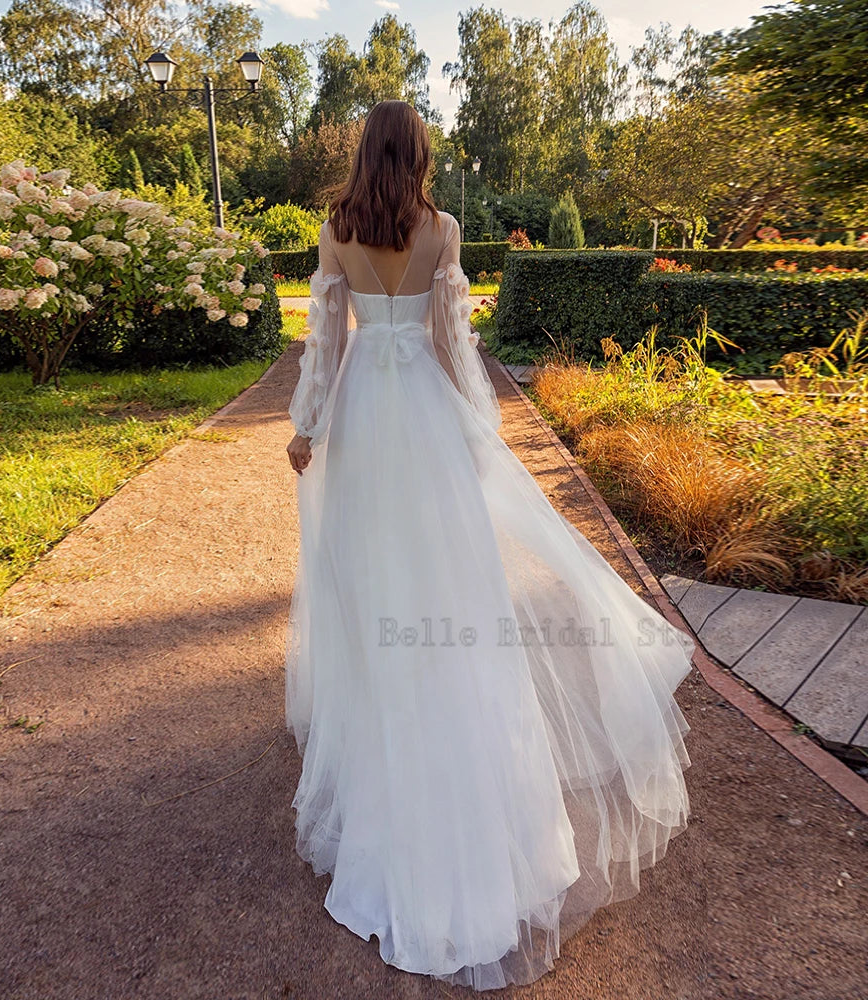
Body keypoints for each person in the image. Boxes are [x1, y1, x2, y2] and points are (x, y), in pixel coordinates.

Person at [283, 99, 694, 992]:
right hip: (423, 420)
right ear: (421, 154)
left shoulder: (335, 229)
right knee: (450, 590)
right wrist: (477, 429)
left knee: (373, 588)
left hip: (361, 420)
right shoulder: (442, 229)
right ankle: (459, 754)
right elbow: (452, 340)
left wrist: (308, 424)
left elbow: (322, 341)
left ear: (362, 153)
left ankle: (384, 756)